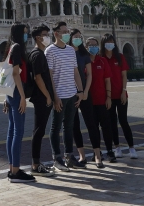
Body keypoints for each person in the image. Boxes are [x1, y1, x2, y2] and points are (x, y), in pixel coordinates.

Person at [45, 22, 84, 170]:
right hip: (59, 96)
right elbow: (49, 76)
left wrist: (79, 92)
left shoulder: (70, 50)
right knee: (56, 127)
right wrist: (55, 96)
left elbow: (76, 72)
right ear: (56, 34)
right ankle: (57, 158)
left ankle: (69, 156)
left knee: (68, 126)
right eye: (64, 32)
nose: (67, 34)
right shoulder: (50, 51)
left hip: (72, 94)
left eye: (68, 31)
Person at [1, 24, 36, 183]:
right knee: (18, 132)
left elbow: (5, 73)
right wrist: (22, 97)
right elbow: (15, 73)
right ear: (18, 34)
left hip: (12, 93)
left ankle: (12, 169)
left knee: (12, 131)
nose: (26, 36)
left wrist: (6, 96)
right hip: (16, 93)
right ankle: (15, 171)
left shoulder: (10, 48)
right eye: (25, 33)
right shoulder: (16, 48)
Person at [71, 33, 106, 168]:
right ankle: (82, 156)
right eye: (75, 36)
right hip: (71, 93)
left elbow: (89, 74)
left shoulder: (83, 54)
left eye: (80, 37)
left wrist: (85, 92)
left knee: (91, 124)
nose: (77, 39)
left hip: (85, 93)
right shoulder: (67, 53)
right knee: (75, 126)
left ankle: (97, 155)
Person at [27, 25, 56, 177]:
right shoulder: (37, 55)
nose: (47, 37)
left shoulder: (38, 53)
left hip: (42, 97)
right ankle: (35, 165)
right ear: (38, 37)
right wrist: (48, 96)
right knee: (39, 131)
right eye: (45, 35)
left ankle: (36, 163)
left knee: (40, 130)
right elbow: (38, 78)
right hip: (41, 98)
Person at [102, 33, 136, 160]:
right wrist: (108, 97)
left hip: (121, 94)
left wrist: (123, 91)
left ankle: (132, 148)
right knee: (112, 123)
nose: (110, 44)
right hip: (108, 97)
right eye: (107, 42)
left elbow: (124, 76)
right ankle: (117, 148)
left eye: (111, 41)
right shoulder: (102, 58)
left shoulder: (120, 57)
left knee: (123, 121)